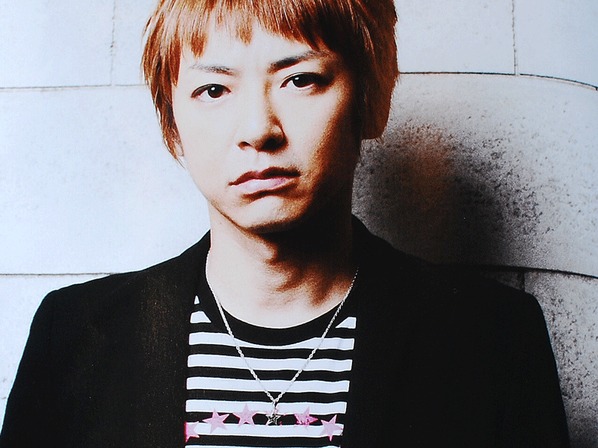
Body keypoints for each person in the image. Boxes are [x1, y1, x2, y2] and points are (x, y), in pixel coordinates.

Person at [0, 0, 569, 446]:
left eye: (301, 80)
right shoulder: (72, 336)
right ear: (172, 125)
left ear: (370, 100)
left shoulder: (493, 339)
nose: (258, 129)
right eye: (213, 89)